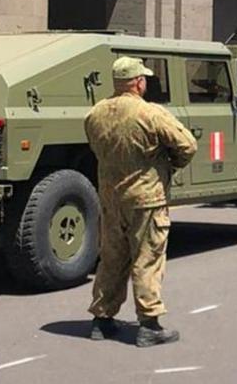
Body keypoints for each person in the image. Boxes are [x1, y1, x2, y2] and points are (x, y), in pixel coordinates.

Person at [84, 57, 198, 347]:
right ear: (138, 82)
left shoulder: (95, 114)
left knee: (111, 258)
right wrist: (171, 164)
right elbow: (188, 145)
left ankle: (102, 319)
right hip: (146, 198)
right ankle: (149, 324)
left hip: (111, 198)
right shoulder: (150, 113)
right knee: (147, 259)